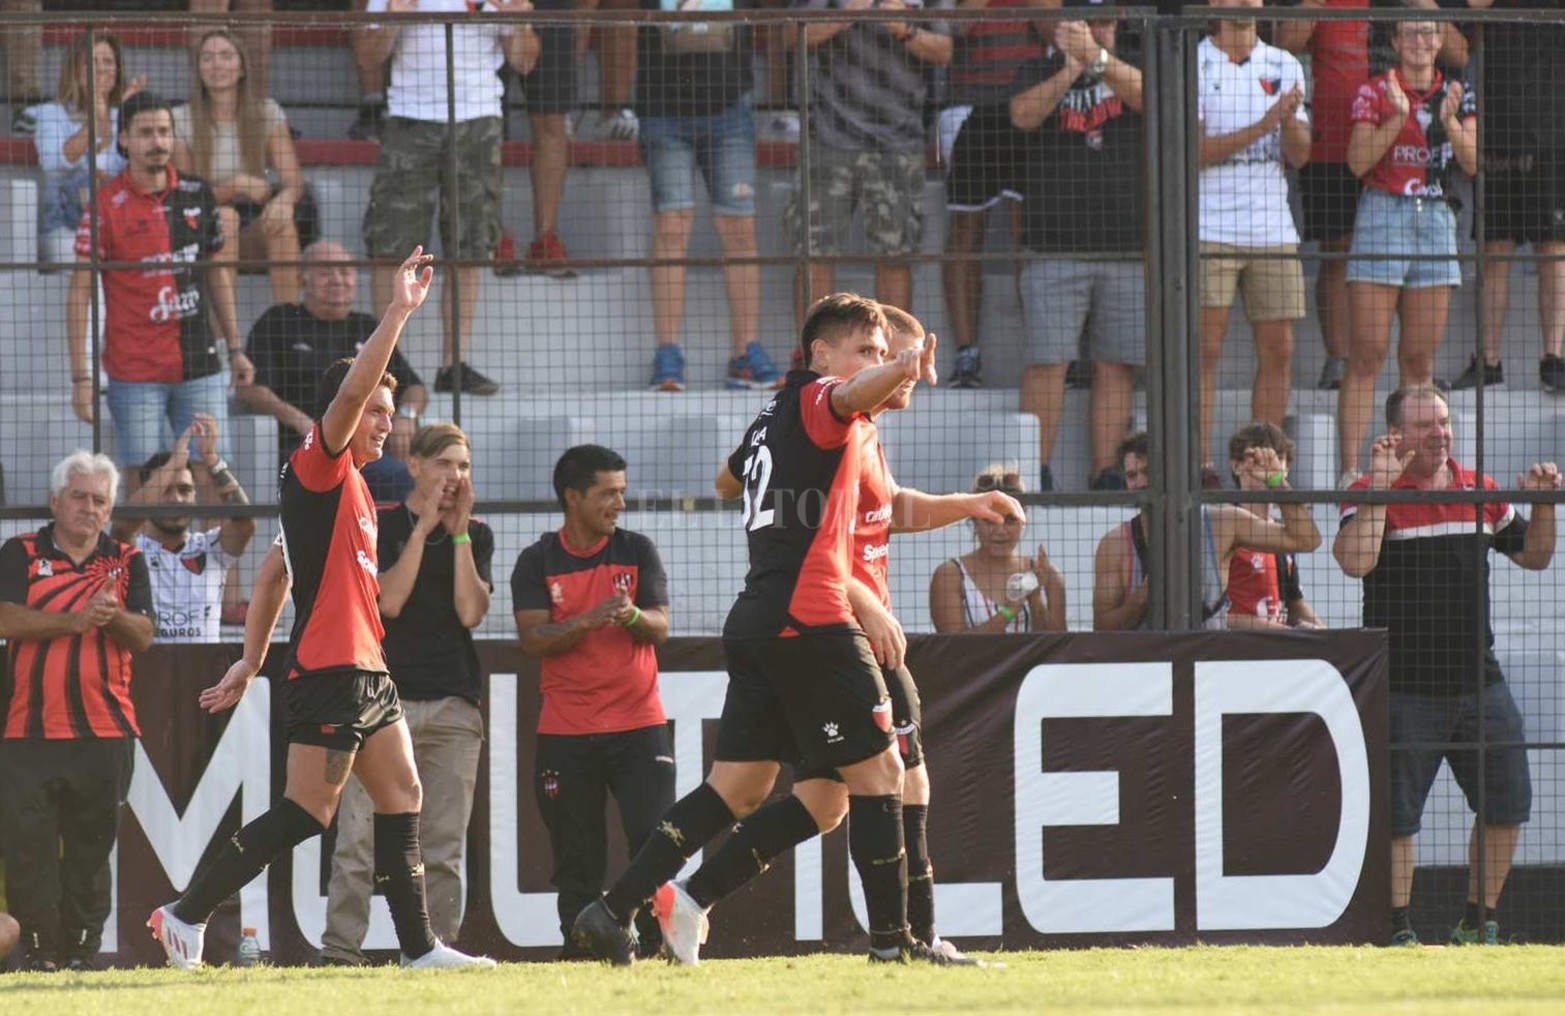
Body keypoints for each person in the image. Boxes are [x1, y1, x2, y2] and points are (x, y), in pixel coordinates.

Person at [572, 294, 974, 967]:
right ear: (820, 355)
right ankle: (891, 947)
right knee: (883, 772)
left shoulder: (774, 417)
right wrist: (902, 365)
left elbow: (727, 481)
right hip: (812, 619)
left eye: (882, 353)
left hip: (759, 616)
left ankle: (613, 909)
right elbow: (843, 403)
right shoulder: (821, 399)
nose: (876, 366)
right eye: (865, 352)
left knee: (744, 789)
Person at [148, 247, 494, 970]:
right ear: (347, 409)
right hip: (330, 669)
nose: (384, 425)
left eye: (392, 415)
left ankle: (419, 948)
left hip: (367, 670)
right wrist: (398, 311)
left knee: (402, 793)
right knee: (309, 813)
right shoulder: (320, 461)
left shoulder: (361, 492)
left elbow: (275, 572)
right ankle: (184, 914)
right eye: (376, 411)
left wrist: (250, 656)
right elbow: (345, 403)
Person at [1334, 384, 1558, 946]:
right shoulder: (1367, 489)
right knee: (1399, 818)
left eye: (1444, 421)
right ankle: (1399, 928)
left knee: (1508, 805)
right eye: (1425, 425)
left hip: (1480, 683)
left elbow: (1534, 555)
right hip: (1404, 686)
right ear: (1396, 433)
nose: (1440, 433)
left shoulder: (1479, 489)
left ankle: (1476, 922)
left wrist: (1543, 503)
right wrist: (1382, 489)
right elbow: (1355, 563)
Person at [322, 423, 494, 966]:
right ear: (414, 465)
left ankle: (430, 953)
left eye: (463, 466)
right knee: (358, 840)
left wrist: (460, 534)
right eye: (445, 463)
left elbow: (471, 611)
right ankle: (340, 952)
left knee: (443, 847)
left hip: (453, 706)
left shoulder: (477, 535)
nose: (455, 476)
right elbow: (388, 603)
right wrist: (421, 531)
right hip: (380, 702)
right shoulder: (382, 523)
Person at [512, 445, 673, 958]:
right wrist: (587, 619)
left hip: (639, 724)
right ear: (573, 497)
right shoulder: (536, 560)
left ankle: (657, 943)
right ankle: (582, 948)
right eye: (608, 494)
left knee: (654, 838)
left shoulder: (638, 550)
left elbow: (660, 626)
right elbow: (533, 640)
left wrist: (629, 617)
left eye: (622, 493)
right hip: (567, 730)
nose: (619, 504)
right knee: (576, 852)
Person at [0, 452, 154, 972]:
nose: (89, 509)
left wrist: (111, 619)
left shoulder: (128, 560)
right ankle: (38, 954)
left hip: (106, 732)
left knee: (91, 853)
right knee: (28, 852)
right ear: (54, 501)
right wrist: (75, 619)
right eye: (79, 497)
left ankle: (81, 956)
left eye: (100, 501)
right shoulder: (20, 552)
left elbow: (145, 635)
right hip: (28, 731)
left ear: (110, 510)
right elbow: (5, 619)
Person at [356, 0, 540, 397]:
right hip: (409, 118)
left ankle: (452, 364)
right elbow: (368, 56)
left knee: (469, 245)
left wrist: (515, 19)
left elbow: (525, 62)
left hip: (478, 120)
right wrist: (394, 17)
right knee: (391, 244)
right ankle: (386, 365)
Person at [67, 90, 249, 472]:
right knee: (144, 487)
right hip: (134, 372)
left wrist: (235, 348)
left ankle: (212, 536)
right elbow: (80, 291)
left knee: (214, 473)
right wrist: (81, 376)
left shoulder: (198, 193)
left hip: (201, 364)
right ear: (123, 139)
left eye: (165, 132)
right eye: (147, 132)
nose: (158, 142)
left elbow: (217, 275)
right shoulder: (104, 204)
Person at [1011, 2, 1145, 492]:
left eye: (1107, 20)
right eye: (1088, 23)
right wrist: (1072, 67)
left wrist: (1101, 60)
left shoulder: (1138, 62)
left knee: (1117, 363)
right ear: (1066, 26)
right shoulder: (1037, 67)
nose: (1098, 29)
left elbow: (1155, 99)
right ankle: (1034, 472)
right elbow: (1022, 115)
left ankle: (1107, 472)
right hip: (1054, 243)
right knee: (1049, 360)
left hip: (1127, 243)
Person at [1338, 20, 1476, 486]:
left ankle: (1416, 468)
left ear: (1441, 41)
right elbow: (1357, 162)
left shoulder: (1457, 92)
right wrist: (1398, 117)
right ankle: (1349, 471)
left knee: (1419, 359)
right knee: (1368, 352)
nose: (1420, 42)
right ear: (1395, 42)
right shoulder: (1375, 91)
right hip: (1383, 213)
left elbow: (1473, 162)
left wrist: (1449, 123)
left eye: (1429, 33)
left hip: (1436, 216)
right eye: (1411, 33)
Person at [638, 0, 784, 393]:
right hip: (661, 104)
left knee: (739, 229)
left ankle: (745, 355)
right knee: (671, 226)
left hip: (729, 105)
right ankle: (667, 353)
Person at [1196, 0, 1310, 488]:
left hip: (1273, 228)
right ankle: (1199, 465)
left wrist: (1286, 122)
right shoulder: (1193, 61)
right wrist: (1264, 123)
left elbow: (1301, 155)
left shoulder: (1284, 63)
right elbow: (1191, 151)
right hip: (1209, 225)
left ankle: (1265, 466)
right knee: (1203, 349)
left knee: (1280, 349)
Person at [785, 0, 953, 316]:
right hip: (828, 139)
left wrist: (905, 29)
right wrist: (845, 15)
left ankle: (895, 362)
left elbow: (947, 51)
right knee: (816, 257)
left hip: (898, 143)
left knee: (895, 258)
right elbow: (791, 36)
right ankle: (814, 361)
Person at [238, 239, 428, 503]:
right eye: (326, 271)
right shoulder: (279, 320)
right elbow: (251, 390)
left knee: (410, 479)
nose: (337, 279)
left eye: (345, 271)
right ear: (302, 279)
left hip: (366, 451)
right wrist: (301, 421)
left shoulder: (368, 327)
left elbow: (415, 387)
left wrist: (407, 415)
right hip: (305, 448)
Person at [1090, 430, 1323, 631]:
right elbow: (1102, 628)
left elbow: (1306, 540)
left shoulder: (1223, 522)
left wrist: (1276, 482)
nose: (1140, 482)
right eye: (1132, 475)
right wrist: (1144, 594)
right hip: (1147, 669)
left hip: (1212, 666)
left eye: (1149, 471)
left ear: (1171, 471)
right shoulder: (1115, 544)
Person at [1457, 3, 1565, 393]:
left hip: (1553, 119)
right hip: (1497, 115)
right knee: (1495, 245)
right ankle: (1488, 360)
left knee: (1553, 245)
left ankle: (1553, 356)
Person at [939, 0, 1042, 389]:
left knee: (1028, 231)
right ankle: (967, 353)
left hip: (1033, 97)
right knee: (966, 227)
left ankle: (1044, 349)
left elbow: (1058, 28)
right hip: (968, 103)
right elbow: (953, 26)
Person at [173, 28, 305, 305]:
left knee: (283, 223)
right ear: (197, 68)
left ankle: (289, 325)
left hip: (252, 225)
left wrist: (284, 199)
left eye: (225, 55)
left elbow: (294, 182)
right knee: (226, 219)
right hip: (200, 227)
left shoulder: (267, 112)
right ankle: (225, 340)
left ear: (242, 66)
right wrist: (236, 186)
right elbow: (186, 195)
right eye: (207, 58)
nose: (217, 64)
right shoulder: (180, 119)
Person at [110, 414, 256, 644]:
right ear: (150, 495)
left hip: (205, 672)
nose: (176, 499)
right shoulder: (132, 549)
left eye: (184, 490)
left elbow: (245, 523)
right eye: (165, 490)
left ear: (194, 496)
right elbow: (123, 525)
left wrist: (213, 461)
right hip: (151, 672)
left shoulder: (211, 547)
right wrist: (173, 464)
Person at [34, 33, 143, 265]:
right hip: (67, 225)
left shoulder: (123, 115)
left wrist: (130, 115)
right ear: (74, 69)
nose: (101, 68)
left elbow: (134, 172)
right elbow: (54, 164)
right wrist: (95, 118)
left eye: (108, 61)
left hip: (118, 223)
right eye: (91, 61)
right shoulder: (51, 113)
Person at [929, 465, 1065, 633]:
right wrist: (1010, 611)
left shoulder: (1048, 575)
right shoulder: (950, 575)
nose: (1000, 531)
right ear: (974, 520)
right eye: (990, 520)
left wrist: (1035, 598)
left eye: (1010, 520)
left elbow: (1056, 647)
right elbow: (953, 647)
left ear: (1023, 519)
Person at [1222, 421, 1324, 630]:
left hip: (1276, 648)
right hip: (1233, 649)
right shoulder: (1223, 524)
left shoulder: (1284, 531)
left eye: (1276, 458)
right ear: (1236, 465)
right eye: (1256, 458)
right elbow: (1215, 616)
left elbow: (1295, 603)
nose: (1265, 466)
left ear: (1286, 468)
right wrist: (1280, 633)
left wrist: (1331, 638)